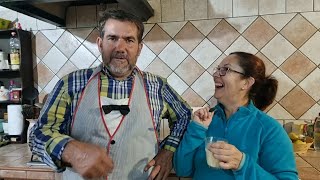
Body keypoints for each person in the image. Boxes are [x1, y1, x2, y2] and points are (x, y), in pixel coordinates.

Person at [29, 9, 192, 180]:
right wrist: (70, 150)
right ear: (100, 43)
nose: (120, 48)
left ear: (139, 48)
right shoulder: (70, 84)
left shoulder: (158, 86)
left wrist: (168, 151)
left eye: (129, 40)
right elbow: (38, 134)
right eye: (112, 38)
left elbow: (185, 116)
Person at [174, 52, 298, 179]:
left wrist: (243, 164)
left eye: (225, 69)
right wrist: (196, 130)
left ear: (246, 83)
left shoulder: (269, 129)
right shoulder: (204, 121)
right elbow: (182, 170)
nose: (216, 74)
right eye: (217, 69)